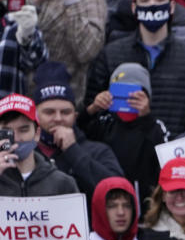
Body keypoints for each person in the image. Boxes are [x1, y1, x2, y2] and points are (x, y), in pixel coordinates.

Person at [84, 0, 185, 136]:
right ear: (134, 8)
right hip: (125, 152)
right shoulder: (111, 54)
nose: (152, 4)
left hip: (175, 151)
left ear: (172, 7)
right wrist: (97, 104)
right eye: (145, 0)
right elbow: (89, 111)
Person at [32, 61, 124, 199]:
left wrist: (73, 151)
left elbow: (118, 194)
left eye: (65, 112)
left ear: (75, 116)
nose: (58, 118)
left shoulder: (98, 151)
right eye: (49, 112)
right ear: (35, 116)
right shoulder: (25, 153)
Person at [81, 62, 168, 204]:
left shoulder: (154, 125)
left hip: (144, 204)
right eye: (120, 93)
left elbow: (164, 157)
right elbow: (78, 132)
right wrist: (92, 109)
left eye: (136, 95)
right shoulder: (104, 121)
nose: (128, 99)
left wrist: (145, 119)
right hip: (106, 200)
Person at [27, 0, 107, 99]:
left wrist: (71, 1)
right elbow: (11, 45)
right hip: (22, 99)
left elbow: (86, 52)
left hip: (65, 98)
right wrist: (35, 2)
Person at [0, 93, 78, 196]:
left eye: (23, 130)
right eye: (7, 132)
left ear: (37, 134)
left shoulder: (62, 183)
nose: (16, 138)